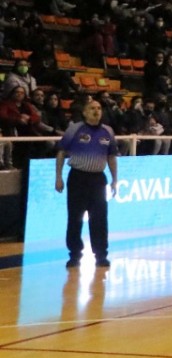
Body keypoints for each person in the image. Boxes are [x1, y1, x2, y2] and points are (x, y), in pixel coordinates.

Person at [54, 97, 119, 268]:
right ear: (84, 112)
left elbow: (111, 157)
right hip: (77, 178)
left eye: (98, 108)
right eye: (92, 108)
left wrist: (114, 180)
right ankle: (75, 255)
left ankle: (101, 255)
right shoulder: (74, 129)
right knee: (75, 218)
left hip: (98, 179)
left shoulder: (108, 131)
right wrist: (58, 177)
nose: (96, 111)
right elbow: (61, 152)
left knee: (99, 219)